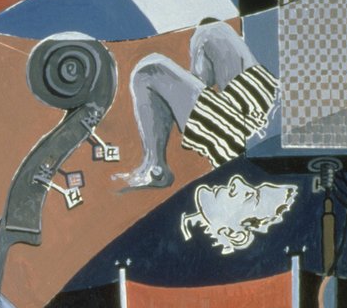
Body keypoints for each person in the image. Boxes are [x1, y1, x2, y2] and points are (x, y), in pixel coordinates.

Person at [116, 19, 278, 189]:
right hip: (274, 108)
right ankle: (200, 104)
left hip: (253, 142)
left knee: (147, 72)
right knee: (211, 31)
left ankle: (153, 167)